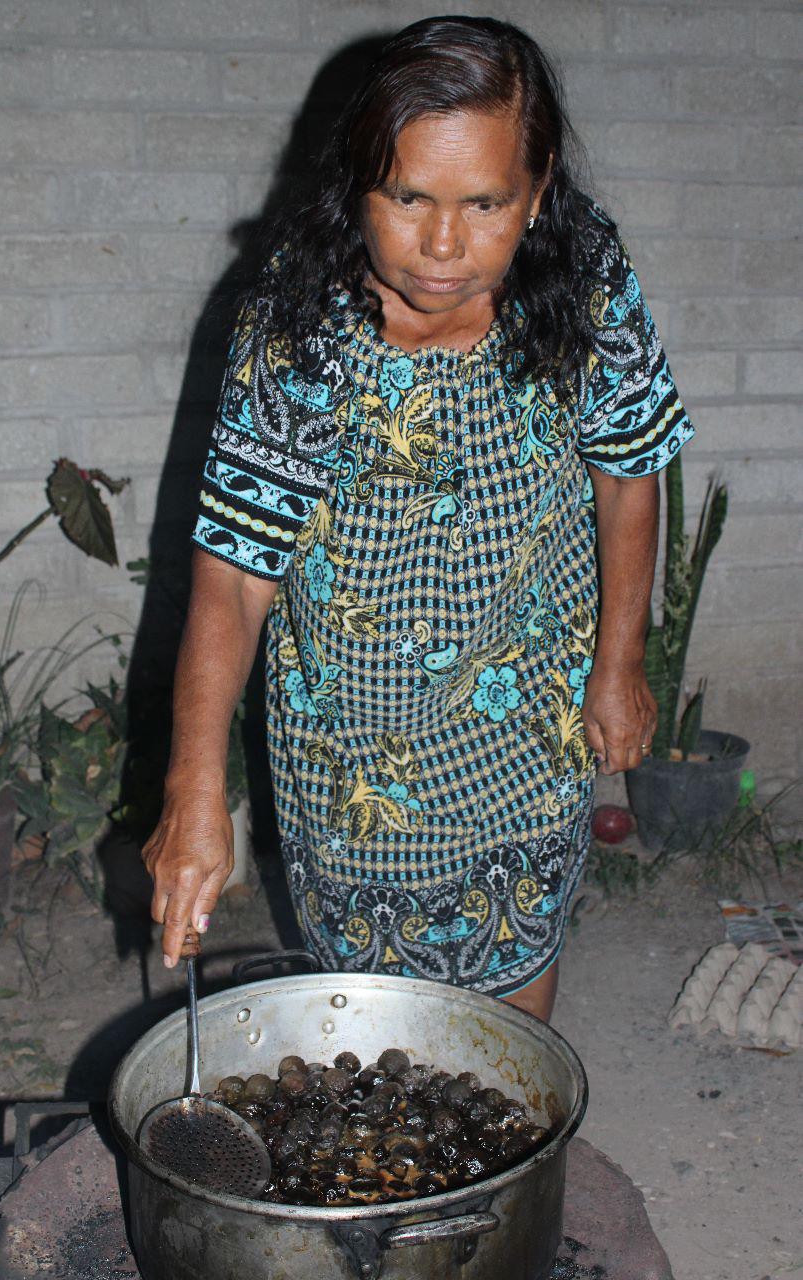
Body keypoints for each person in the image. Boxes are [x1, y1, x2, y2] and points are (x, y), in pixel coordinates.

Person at [142, 16, 693, 1022]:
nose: (443, 245)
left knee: (515, 978)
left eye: (485, 203)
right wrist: (194, 790)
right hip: (353, 742)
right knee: (379, 1009)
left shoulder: (584, 276)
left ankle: (510, 1171)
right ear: (360, 185)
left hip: (531, 703)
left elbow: (628, 471)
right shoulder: (297, 323)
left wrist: (619, 659)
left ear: (537, 191)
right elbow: (233, 569)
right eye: (408, 198)